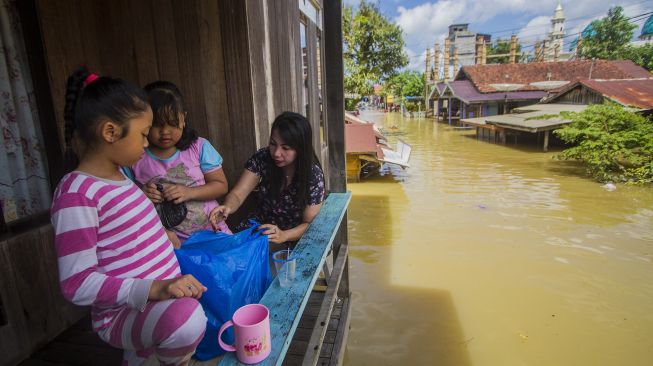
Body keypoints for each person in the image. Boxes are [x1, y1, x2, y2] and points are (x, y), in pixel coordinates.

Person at [51, 67, 207, 366]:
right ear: (110, 132)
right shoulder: (77, 193)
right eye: (143, 135)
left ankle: (143, 355)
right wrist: (153, 288)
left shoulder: (122, 180)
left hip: (154, 302)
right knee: (187, 321)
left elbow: (129, 233)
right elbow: (77, 283)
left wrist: (164, 236)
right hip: (122, 314)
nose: (147, 144)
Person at [125, 81, 230, 247]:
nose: (165, 131)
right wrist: (142, 194)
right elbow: (123, 197)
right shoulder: (135, 156)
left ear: (184, 118)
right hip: (171, 244)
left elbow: (221, 185)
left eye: (173, 123)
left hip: (213, 232)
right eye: (157, 124)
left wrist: (190, 192)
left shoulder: (198, 147)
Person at [209, 112, 325, 251]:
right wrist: (227, 207)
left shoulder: (313, 175)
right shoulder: (262, 158)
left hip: (293, 236)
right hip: (260, 227)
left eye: (285, 148)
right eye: (273, 144)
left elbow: (309, 223)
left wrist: (283, 235)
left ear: (300, 148)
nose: (276, 153)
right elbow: (238, 194)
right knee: (229, 251)